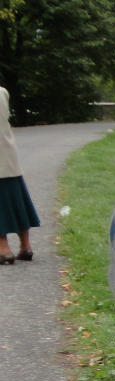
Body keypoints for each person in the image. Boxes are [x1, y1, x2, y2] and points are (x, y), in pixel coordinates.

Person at [0, 85, 39, 264]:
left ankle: (3, 249)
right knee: (17, 200)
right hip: (8, 157)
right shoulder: (2, 92)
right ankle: (25, 246)